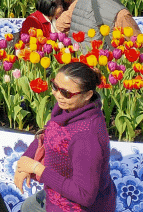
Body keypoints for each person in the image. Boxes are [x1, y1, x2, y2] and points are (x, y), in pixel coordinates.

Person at [15, 62, 117, 212]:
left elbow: (85, 195)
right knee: (28, 207)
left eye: (66, 93)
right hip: (58, 193)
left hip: (78, 207)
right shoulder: (71, 108)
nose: (57, 95)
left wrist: (38, 169)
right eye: (55, 86)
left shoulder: (86, 137)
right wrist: (26, 160)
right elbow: (50, 132)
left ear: (88, 95)